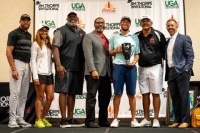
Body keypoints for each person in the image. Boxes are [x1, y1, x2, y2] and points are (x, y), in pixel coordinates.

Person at [52, 12, 85, 128]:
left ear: (77, 19)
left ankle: (70, 118)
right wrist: (58, 65)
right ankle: (63, 119)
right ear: (67, 18)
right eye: (70, 17)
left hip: (78, 68)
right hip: (64, 67)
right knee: (63, 92)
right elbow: (55, 48)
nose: (72, 19)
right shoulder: (60, 30)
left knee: (72, 93)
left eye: (74, 17)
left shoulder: (82, 32)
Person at [135, 15, 167, 127]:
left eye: (147, 21)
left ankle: (156, 119)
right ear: (140, 23)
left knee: (156, 93)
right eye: (143, 21)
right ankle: (147, 119)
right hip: (142, 68)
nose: (145, 23)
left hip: (156, 67)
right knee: (144, 94)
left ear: (151, 23)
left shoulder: (158, 34)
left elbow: (165, 52)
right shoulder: (136, 36)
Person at [109, 16, 140, 128]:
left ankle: (133, 119)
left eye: (127, 22)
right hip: (118, 67)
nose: (125, 23)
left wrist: (134, 62)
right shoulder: (114, 36)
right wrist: (115, 51)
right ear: (120, 23)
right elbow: (109, 53)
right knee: (117, 94)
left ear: (130, 24)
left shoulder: (135, 37)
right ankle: (115, 119)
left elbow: (137, 54)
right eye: (123, 21)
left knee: (131, 94)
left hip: (131, 68)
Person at [82, 17, 112, 128]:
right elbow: (88, 55)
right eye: (98, 23)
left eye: (102, 23)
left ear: (105, 25)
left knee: (105, 97)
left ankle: (103, 120)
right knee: (91, 97)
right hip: (93, 72)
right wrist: (92, 70)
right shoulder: (89, 36)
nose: (100, 24)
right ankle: (89, 121)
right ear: (94, 24)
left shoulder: (106, 38)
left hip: (106, 73)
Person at [165, 19, 194, 128]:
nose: (170, 27)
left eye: (172, 25)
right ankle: (177, 120)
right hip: (170, 72)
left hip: (182, 71)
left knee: (184, 96)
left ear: (177, 25)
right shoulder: (168, 41)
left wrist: (187, 69)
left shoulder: (184, 38)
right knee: (175, 97)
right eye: (168, 26)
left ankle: (185, 120)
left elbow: (190, 56)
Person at [6, 14, 32, 128]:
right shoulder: (13, 33)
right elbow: (8, 51)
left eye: (28, 20)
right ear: (20, 21)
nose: (26, 22)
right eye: (24, 20)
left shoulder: (29, 35)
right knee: (15, 94)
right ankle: (11, 120)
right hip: (17, 63)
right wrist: (13, 68)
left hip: (27, 65)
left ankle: (20, 118)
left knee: (24, 94)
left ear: (30, 22)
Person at [31, 24, 54, 128]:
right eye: (42, 30)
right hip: (39, 74)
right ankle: (38, 119)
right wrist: (35, 76)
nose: (44, 32)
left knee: (50, 97)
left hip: (49, 74)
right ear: (38, 32)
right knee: (40, 97)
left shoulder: (49, 44)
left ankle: (43, 117)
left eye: (46, 31)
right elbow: (33, 61)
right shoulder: (35, 44)